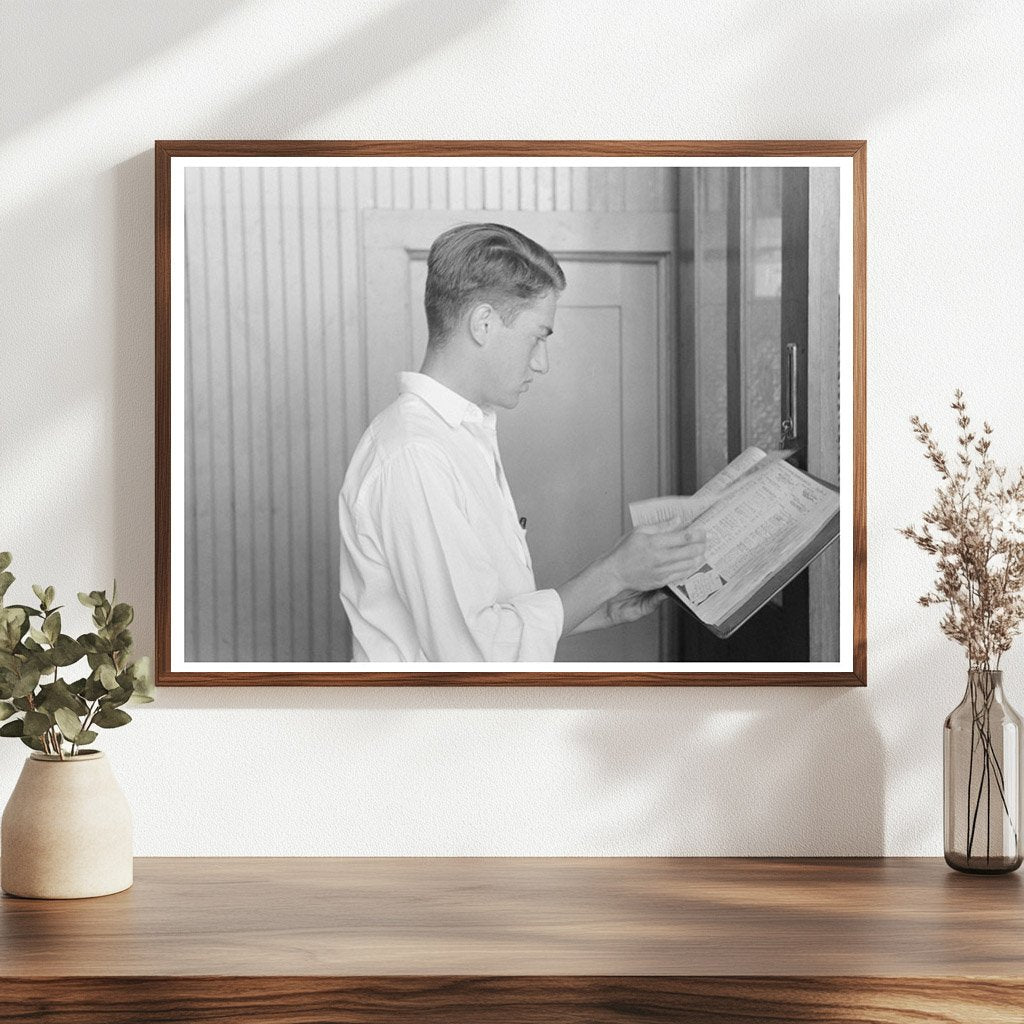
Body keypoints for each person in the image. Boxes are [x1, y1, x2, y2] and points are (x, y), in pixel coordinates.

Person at [338, 222, 705, 662]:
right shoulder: (415, 455)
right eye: (538, 337)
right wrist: (611, 573)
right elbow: (475, 653)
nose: (542, 362)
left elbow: (486, 617)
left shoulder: (457, 435)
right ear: (484, 324)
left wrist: (604, 606)